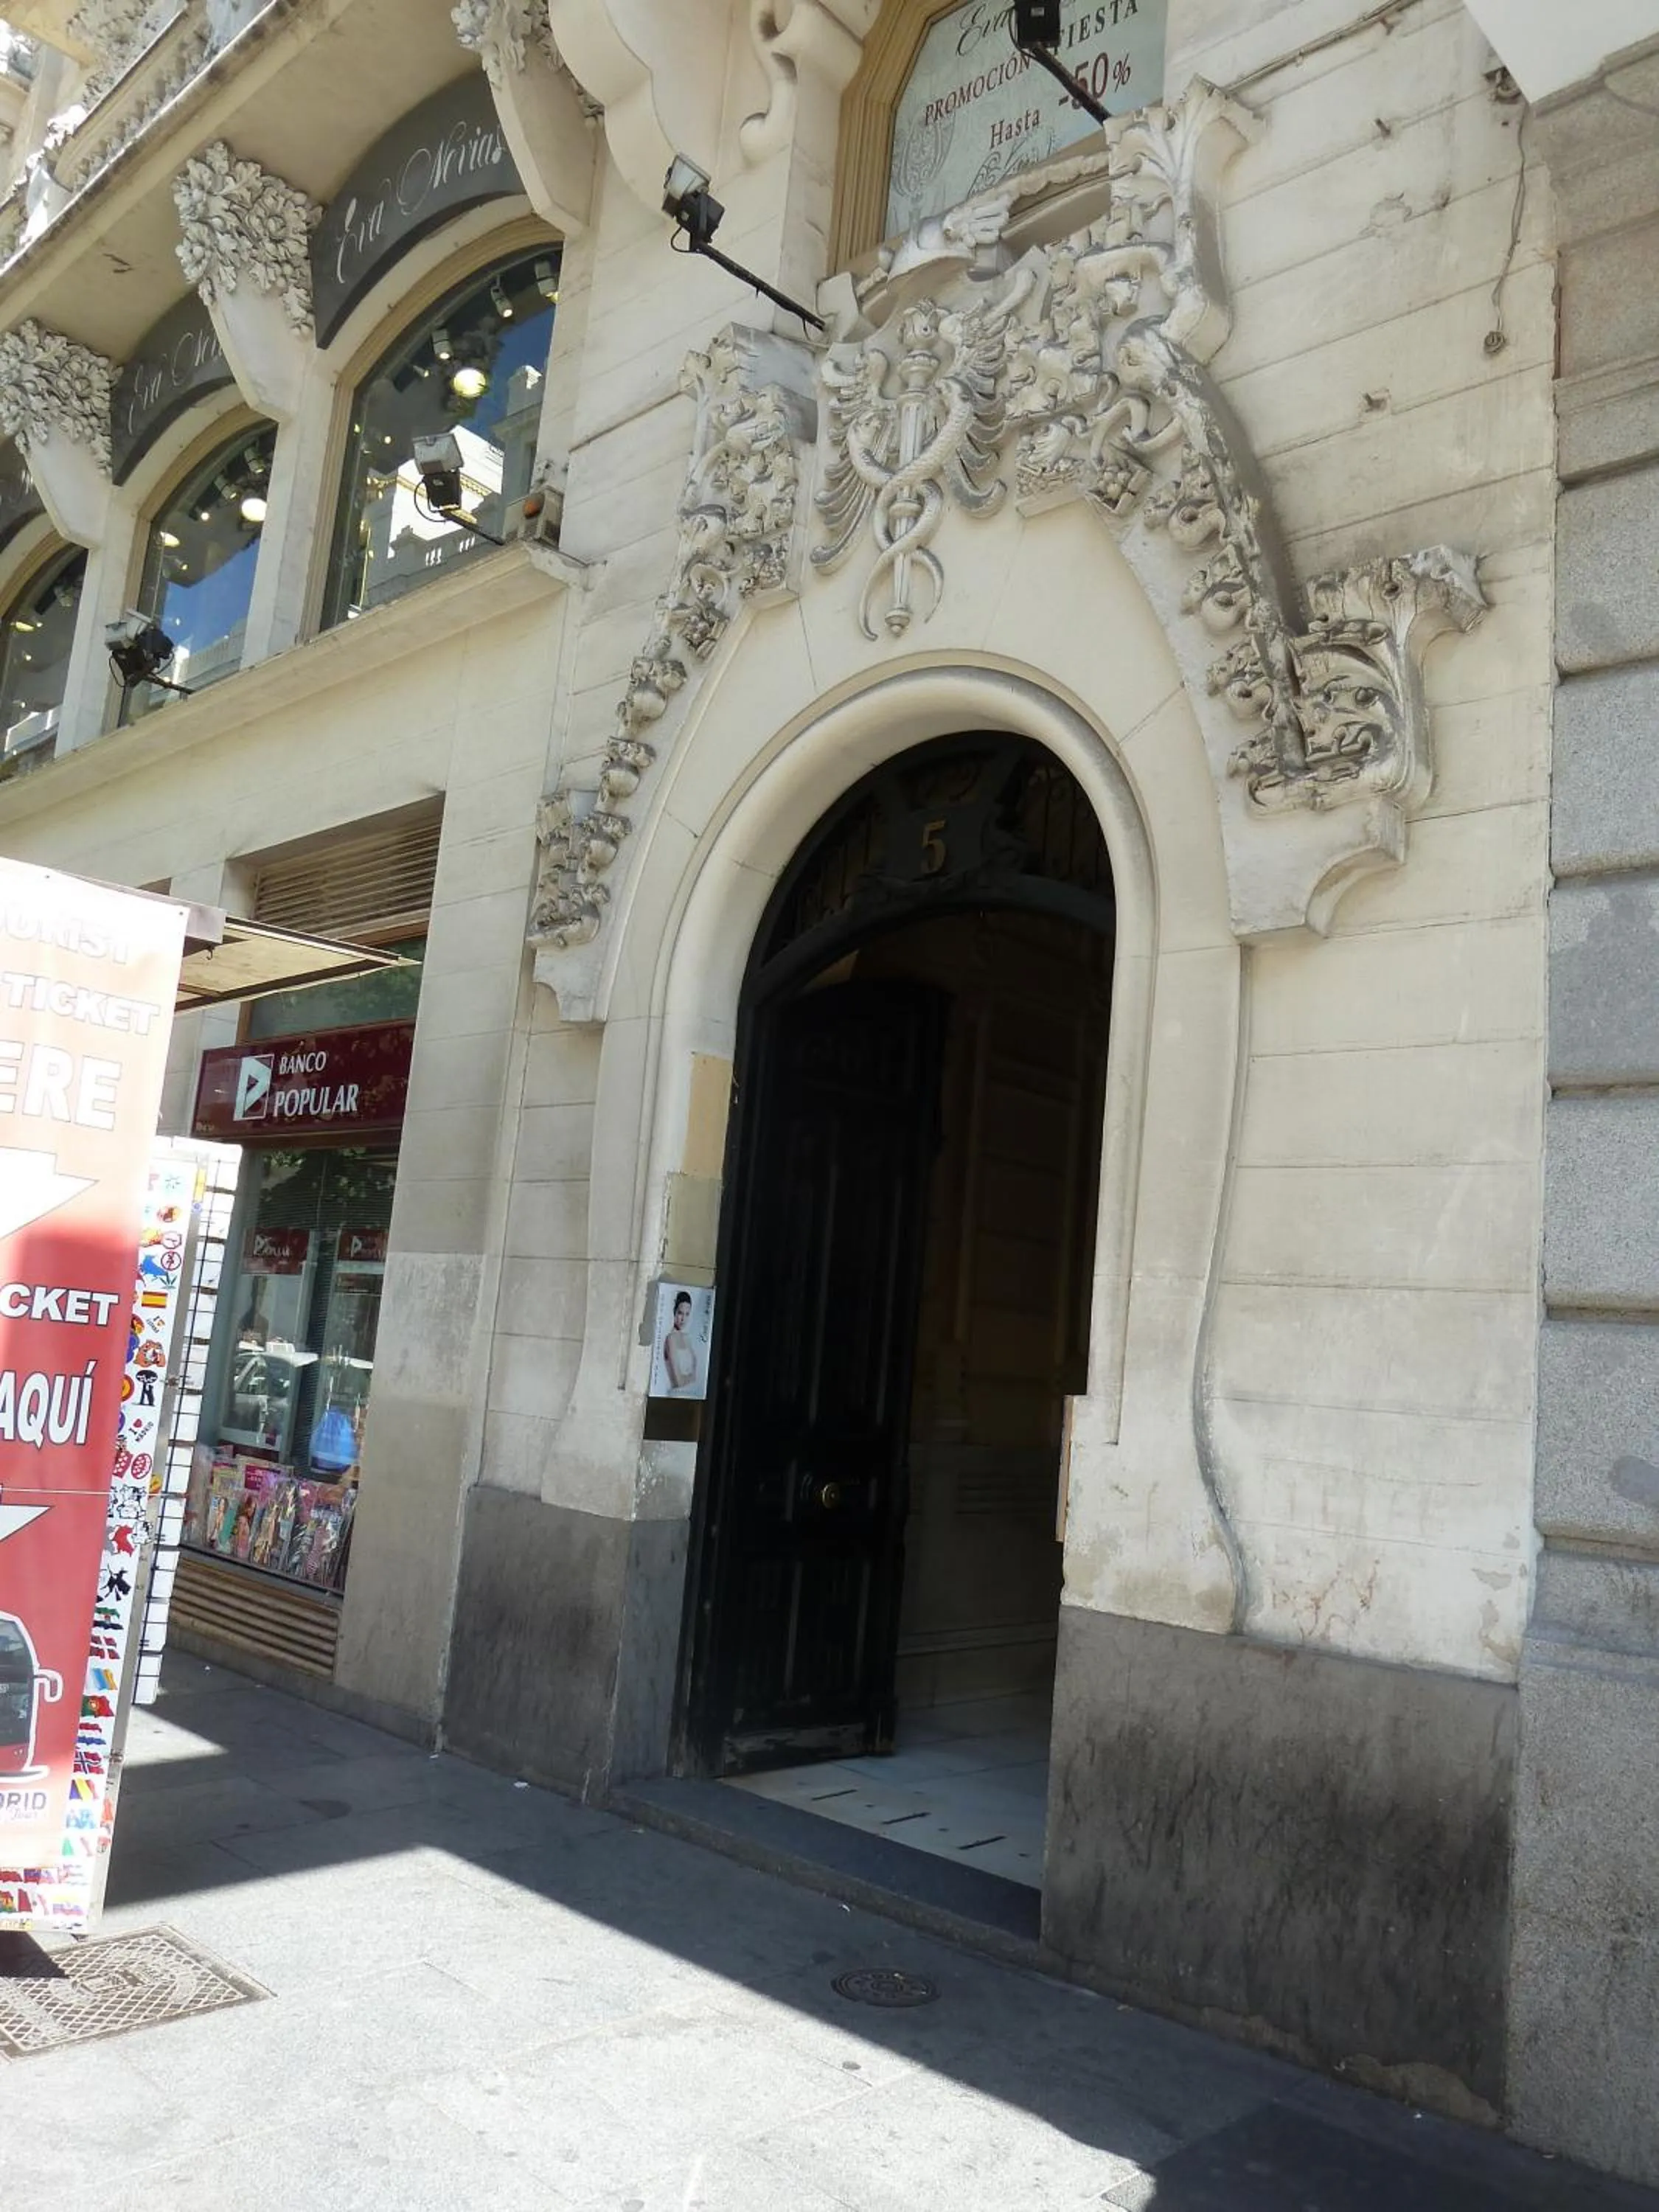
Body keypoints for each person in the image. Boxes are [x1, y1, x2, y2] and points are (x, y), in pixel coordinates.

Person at [661, 1290, 701, 1396]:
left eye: (687, 1314)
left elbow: (696, 1374)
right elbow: (678, 1381)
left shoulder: (687, 1338)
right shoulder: (670, 1339)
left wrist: (691, 1378)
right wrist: (692, 1378)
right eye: (680, 1313)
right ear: (674, 1312)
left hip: (692, 1394)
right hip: (676, 1395)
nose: (683, 1319)